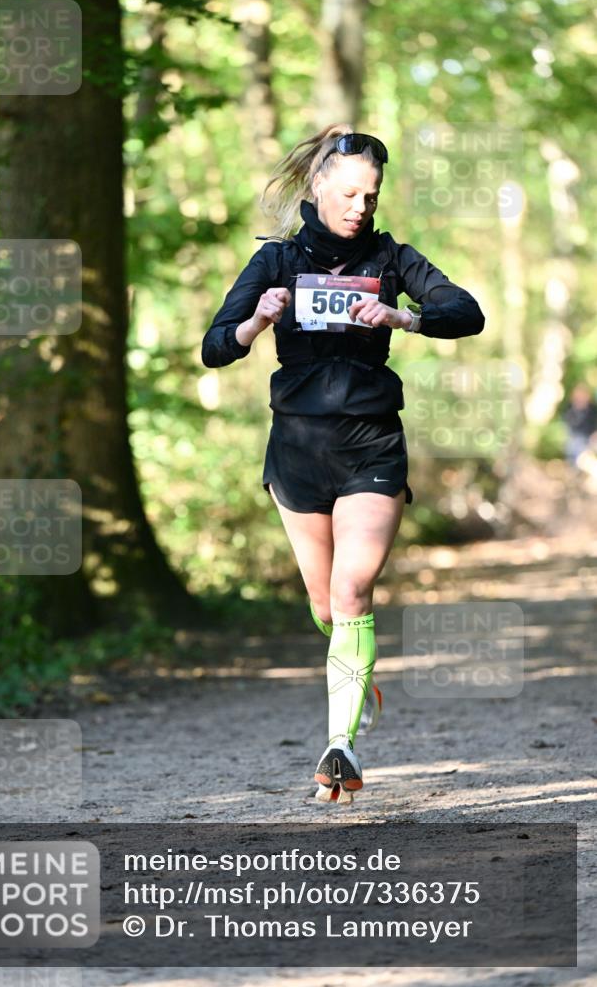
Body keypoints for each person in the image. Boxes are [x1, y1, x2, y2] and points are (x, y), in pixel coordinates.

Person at [201, 124, 485, 805]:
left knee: (353, 592)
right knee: (326, 604)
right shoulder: (275, 261)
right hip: (296, 450)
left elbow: (464, 312)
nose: (361, 205)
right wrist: (255, 321)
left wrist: (403, 318)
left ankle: (340, 745)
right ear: (319, 184)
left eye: (372, 194)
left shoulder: (392, 258)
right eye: (350, 191)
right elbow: (215, 346)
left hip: (370, 444)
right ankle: (353, 670)